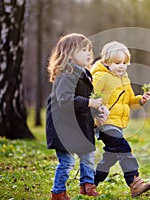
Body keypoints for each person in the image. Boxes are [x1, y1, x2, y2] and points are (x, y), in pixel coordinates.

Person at [46, 33, 108, 199]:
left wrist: (98, 112)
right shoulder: (66, 74)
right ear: (69, 53)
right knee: (67, 162)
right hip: (63, 127)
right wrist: (89, 103)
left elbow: (91, 100)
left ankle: (87, 185)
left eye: (89, 50)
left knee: (87, 155)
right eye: (83, 50)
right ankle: (58, 192)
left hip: (81, 124)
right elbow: (65, 99)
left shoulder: (85, 74)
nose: (88, 53)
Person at [91, 41, 150, 198]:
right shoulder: (100, 77)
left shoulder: (124, 79)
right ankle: (134, 182)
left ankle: (91, 182)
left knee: (111, 156)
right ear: (106, 62)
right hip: (105, 124)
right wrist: (96, 115)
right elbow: (91, 97)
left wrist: (141, 100)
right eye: (117, 63)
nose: (121, 66)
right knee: (124, 147)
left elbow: (130, 101)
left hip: (118, 124)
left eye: (125, 63)